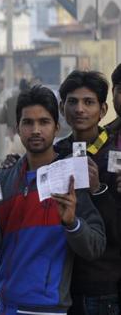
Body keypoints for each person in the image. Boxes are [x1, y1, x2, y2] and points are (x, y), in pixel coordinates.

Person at [0, 85, 106, 315]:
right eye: (28, 123)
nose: (35, 130)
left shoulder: (71, 178)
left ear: (56, 127)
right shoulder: (2, 178)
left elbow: (96, 245)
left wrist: (71, 223)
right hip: (4, 304)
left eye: (43, 122)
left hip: (46, 307)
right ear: (17, 128)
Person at [53, 71, 120, 315]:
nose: (80, 109)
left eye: (88, 102)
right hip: (61, 288)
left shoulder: (116, 157)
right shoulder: (56, 154)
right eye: (73, 101)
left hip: (102, 290)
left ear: (102, 110)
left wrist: (98, 189)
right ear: (62, 107)